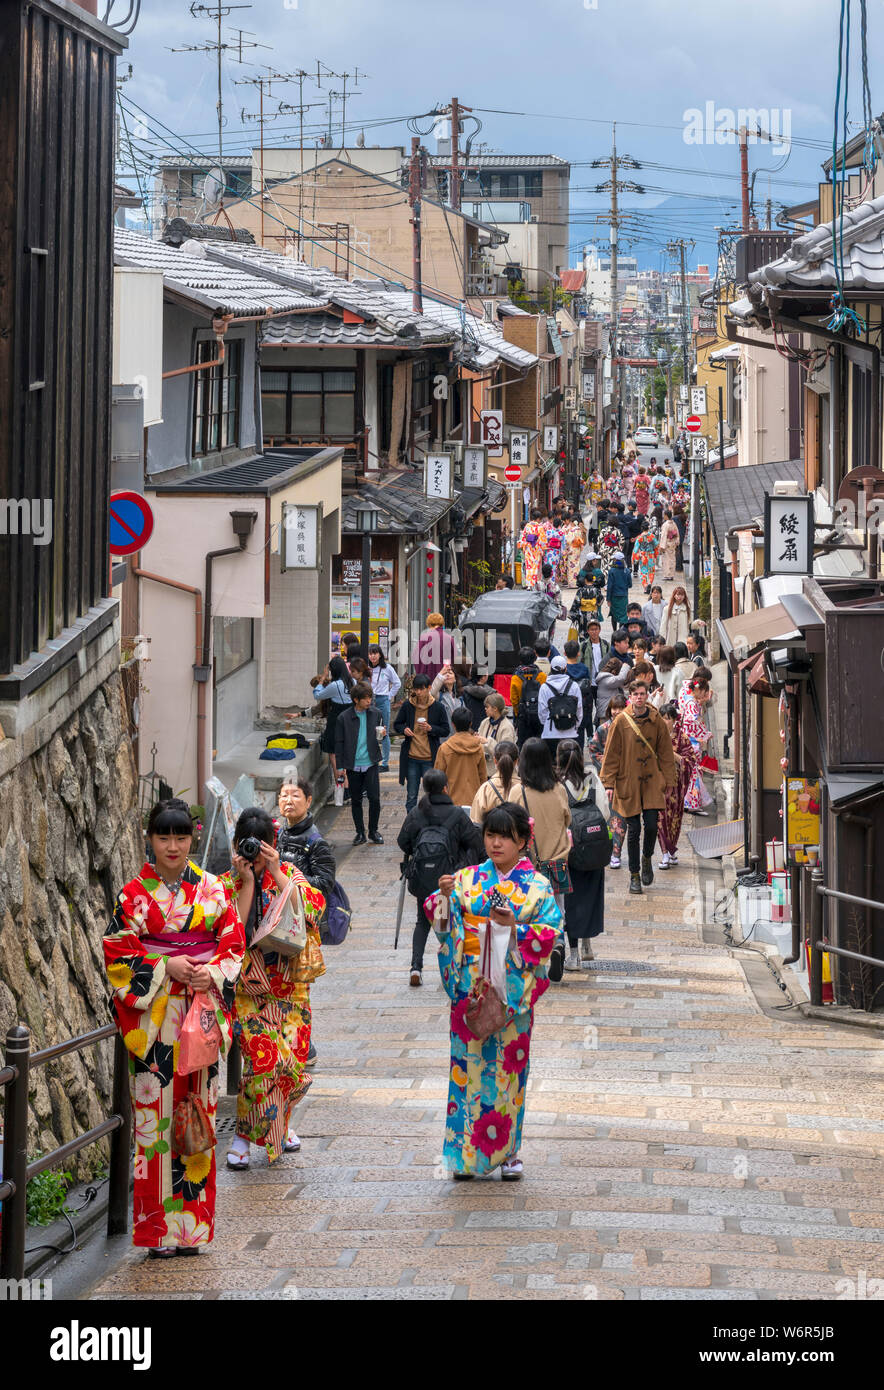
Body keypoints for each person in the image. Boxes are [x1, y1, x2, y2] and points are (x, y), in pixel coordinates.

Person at [103, 798, 244, 1257]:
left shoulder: (214, 891)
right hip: (157, 1021)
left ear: (193, 838)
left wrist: (214, 973)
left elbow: (233, 945)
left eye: (180, 837)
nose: (172, 845)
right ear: (150, 838)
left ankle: (192, 1230)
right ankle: (156, 1231)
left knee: (198, 1112)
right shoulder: (133, 895)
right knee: (153, 1120)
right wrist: (167, 964)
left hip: (200, 1014)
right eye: (163, 836)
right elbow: (119, 954)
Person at [426, 800, 562, 1180]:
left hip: (510, 992)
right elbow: (440, 924)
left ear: (523, 841)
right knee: (465, 1071)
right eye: (491, 835)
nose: (496, 843)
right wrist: (442, 898)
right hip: (470, 986)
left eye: (506, 836)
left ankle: (508, 1153)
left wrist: (515, 930)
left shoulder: (537, 886)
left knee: (507, 1074)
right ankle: (464, 1157)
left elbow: (551, 933)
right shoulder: (467, 878)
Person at [224, 808, 326, 1170]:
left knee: (292, 1065)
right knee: (263, 1062)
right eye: (247, 844)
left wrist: (276, 871)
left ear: (273, 843)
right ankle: (241, 1136)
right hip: (251, 990)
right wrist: (248, 882)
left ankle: (280, 1126)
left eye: (262, 844)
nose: (253, 851)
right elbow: (231, 934)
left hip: (292, 988)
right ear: (237, 845)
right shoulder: (228, 882)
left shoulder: (288, 874)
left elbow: (315, 908)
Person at [398, 769, 484, 987]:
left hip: (423, 878)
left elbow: (402, 841)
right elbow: (475, 842)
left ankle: (415, 967)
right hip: (448, 878)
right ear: (446, 787)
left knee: (421, 921)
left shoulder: (417, 813)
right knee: (444, 924)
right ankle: (449, 968)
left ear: (425, 788)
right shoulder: (456, 815)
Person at [600, 679, 676, 895]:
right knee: (633, 830)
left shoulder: (656, 720)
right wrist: (608, 782)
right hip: (628, 781)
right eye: (636, 694)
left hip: (652, 782)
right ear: (630, 697)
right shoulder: (621, 722)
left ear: (646, 695)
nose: (640, 697)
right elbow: (611, 754)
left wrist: (669, 781)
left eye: (643, 693)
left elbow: (666, 753)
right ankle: (634, 875)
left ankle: (646, 858)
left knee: (651, 825)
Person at [517, 739, 571, 980]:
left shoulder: (518, 792)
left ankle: (533, 955)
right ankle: (558, 942)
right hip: (557, 859)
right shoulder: (559, 789)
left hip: (529, 864)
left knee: (526, 911)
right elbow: (567, 819)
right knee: (557, 908)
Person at [555, 739, 606, 970]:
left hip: (567, 852)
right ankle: (587, 945)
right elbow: (605, 812)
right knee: (591, 897)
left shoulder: (557, 785)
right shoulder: (592, 778)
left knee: (570, 901)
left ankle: (573, 955)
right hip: (593, 850)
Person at [335, 680, 385, 845]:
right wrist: (340, 767)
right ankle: (360, 833)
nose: (369, 701)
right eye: (365, 698)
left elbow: (381, 732)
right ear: (356, 699)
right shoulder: (344, 717)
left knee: (374, 799)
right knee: (356, 800)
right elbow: (339, 742)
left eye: (370, 697)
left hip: (371, 762)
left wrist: (383, 733)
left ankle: (373, 831)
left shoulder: (376, 713)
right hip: (353, 764)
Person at [394, 673, 450, 811]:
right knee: (411, 796)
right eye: (416, 689)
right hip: (412, 757)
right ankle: (411, 825)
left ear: (429, 688)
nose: (418, 692)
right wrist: (404, 729)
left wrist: (431, 728)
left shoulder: (438, 707)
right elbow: (397, 724)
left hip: (429, 758)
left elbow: (445, 730)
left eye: (422, 689)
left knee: (432, 795)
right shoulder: (408, 705)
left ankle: (430, 824)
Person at [276, 776, 336, 903]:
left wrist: (286, 875)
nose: (289, 801)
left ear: (308, 801)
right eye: (284, 796)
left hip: (305, 915)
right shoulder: (278, 835)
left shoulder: (316, 843)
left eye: (295, 796)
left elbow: (325, 885)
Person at [656, 702, 698, 868]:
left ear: (674, 720)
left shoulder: (682, 737)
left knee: (674, 818)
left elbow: (691, 760)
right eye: (662, 718)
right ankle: (665, 853)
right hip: (658, 785)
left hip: (676, 786)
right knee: (660, 818)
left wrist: (673, 755)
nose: (665, 722)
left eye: (668, 718)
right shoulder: (655, 735)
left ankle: (671, 850)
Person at [588, 692, 627, 867]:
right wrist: (608, 763)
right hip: (607, 780)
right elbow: (593, 749)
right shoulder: (603, 729)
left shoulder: (630, 729)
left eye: (620, 708)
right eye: (614, 708)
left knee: (620, 818)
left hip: (626, 779)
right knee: (607, 816)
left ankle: (616, 852)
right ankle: (609, 850)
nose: (617, 711)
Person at [311, 655, 353, 789]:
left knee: (335, 756)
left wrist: (323, 677)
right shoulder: (353, 682)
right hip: (351, 720)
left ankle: (343, 788)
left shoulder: (335, 685)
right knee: (345, 754)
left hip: (336, 721)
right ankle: (348, 787)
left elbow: (317, 694)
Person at [435, 706, 489, 807]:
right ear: (470, 724)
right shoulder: (478, 747)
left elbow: (438, 779)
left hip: (450, 802)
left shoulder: (445, 748)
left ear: (453, 725)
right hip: (474, 801)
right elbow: (483, 777)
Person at [678, 674, 714, 815]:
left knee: (692, 773)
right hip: (693, 743)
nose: (705, 694)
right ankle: (692, 804)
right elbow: (692, 722)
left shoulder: (689, 700)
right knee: (694, 774)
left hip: (689, 742)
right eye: (704, 691)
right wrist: (704, 734)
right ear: (699, 690)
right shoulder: (692, 704)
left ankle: (689, 802)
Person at [538, 654, 583, 756]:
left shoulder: (544, 687)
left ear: (551, 668)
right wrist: (575, 725)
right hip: (571, 733)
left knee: (552, 765)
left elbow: (542, 713)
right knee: (569, 765)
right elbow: (579, 709)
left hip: (550, 733)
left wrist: (548, 724)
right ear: (565, 668)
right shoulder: (574, 686)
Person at [368, 644, 401, 772]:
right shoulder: (367, 668)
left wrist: (389, 696)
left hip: (382, 700)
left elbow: (397, 683)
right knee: (371, 731)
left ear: (380, 654)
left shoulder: (387, 668)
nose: (373, 656)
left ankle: (385, 763)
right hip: (369, 700)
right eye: (370, 653)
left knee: (384, 732)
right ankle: (373, 760)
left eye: (375, 653)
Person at [470, 740, 522, 822]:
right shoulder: (525, 788)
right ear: (517, 761)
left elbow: (476, 822)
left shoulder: (485, 789)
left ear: (495, 760)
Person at [411, 611, 457, 680]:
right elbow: (454, 658)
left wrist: (421, 673)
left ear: (429, 623)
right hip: (445, 678)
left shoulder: (424, 637)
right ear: (442, 623)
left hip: (428, 679)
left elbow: (416, 657)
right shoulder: (449, 638)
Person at [478, 691, 517, 769]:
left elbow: (506, 752)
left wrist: (487, 742)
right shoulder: (485, 722)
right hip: (484, 768)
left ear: (495, 708)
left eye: (487, 707)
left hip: (500, 771)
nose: (485, 709)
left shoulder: (507, 727)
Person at [518, 507, 550, 589]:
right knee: (536, 567)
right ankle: (535, 584)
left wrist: (524, 545)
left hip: (528, 548)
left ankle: (529, 585)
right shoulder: (539, 527)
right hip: (536, 548)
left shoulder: (527, 526)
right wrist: (543, 548)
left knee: (529, 567)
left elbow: (523, 538)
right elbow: (543, 540)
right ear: (538, 518)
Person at [569, 567, 605, 640]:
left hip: (583, 614)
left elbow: (576, 602)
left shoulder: (580, 590)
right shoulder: (596, 590)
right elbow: (600, 601)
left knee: (582, 631)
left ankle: (583, 647)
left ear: (585, 580)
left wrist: (573, 614)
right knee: (593, 630)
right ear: (593, 580)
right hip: (593, 614)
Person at [430, 664, 463, 735]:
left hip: (457, 736)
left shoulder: (460, 698)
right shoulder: (439, 695)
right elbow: (432, 692)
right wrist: (441, 673)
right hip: (443, 737)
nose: (447, 675)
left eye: (450, 673)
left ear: (455, 679)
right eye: (445, 674)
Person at [606, 550, 632, 628]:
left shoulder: (612, 571)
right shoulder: (627, 571)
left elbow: (609, 586)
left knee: (614, 614)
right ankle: (621, 632)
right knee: (623, 616)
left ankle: (614, 631)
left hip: (614, 596)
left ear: (615, 560)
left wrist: (608, 599)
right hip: (624, 596)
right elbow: (630, 585)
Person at [658, 510, 681, 580]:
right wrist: (677, 542)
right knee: (672, 559)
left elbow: (664, 536)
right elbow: (677, 534)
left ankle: (667, 575)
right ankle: (671, 574)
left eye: (664, 515)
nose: (663, 516)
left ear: (666, 515)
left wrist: (662, 546)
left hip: (667, 544)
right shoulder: (674, 523)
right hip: (673, 544)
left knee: (666, 560)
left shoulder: (665, 525)